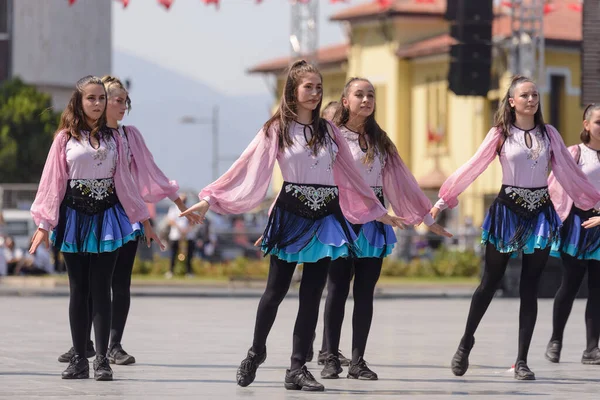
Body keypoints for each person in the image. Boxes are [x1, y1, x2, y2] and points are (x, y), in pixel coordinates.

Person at [180, 60, 403, 392]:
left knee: (312, 295)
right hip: (291, 213)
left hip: (326, 217)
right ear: (293, 91)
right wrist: (210, 198)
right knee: (275, 292)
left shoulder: (329, 132)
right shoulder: (277, 128)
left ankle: (297, 367)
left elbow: (351, 175)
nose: (314, 93)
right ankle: (256, 351)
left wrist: (375, 209)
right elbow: (245, 166)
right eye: (307, 87)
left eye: (318, 87)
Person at [430, 75, 600, 380]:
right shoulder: (501, 133)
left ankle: (521, 360)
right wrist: (443, 200)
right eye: (525, 95)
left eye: (535, 94)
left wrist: (595, 202)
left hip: (539, 215)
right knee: (489, 282)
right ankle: (466, 341)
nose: (532, 99)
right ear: (512, 102)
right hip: (507, 212)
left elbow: (571, 174)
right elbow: (474, 166)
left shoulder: (549, 134)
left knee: (529, 288)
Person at [56, 76, 200, 365]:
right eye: (117, 100)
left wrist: (177, 203)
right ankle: (83, 343)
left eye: (126, 101)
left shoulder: (127, 136)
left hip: (125, 215)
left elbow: (151, 172)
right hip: (86, 213)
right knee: (86, 282)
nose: (123, 106)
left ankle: (113, 344)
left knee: (117, 282)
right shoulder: (74, 137)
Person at [30, 75, 164, 381]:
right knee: (79, 290)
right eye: (90, 98)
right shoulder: (64, 139)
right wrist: (44, 224)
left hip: (108, 219)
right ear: (79, 101)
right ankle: (79, 357)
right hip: (74, 218)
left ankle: (101, 359)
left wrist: (144, 220)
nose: (97, 104)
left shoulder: (115, 139)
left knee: (103, 289)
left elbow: (126, 184)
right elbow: (52, 184)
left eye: (101, 98)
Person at [318, 77, 451, 380]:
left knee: (365, 292)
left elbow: (402, 180)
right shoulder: (333, 137)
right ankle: (329, 356)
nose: (366, 100)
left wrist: (427, 217)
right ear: (345, 100)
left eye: (371, 95)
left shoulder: (380, 140)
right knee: (337, 289)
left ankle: (358, 361)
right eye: (359, 95)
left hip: (375, 223)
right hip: (342, 220)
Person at [545, 103, 600, 365]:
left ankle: (592, 349)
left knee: (598, 290)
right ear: (586, 124)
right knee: (569, 285)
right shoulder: (573, 154)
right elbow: (554, 189)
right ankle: (555, 340)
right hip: (578, 224)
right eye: (599, 121)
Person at [166, 194, 198, 278]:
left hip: (188, 235)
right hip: (176, 235)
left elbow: (193, 221)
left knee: (189, 255)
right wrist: (179, 229)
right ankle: (171, 271)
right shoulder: (173, 209)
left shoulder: (191, 208)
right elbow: (170, 220)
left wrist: (187, 229)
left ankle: (189, 272)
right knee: (173, 254)